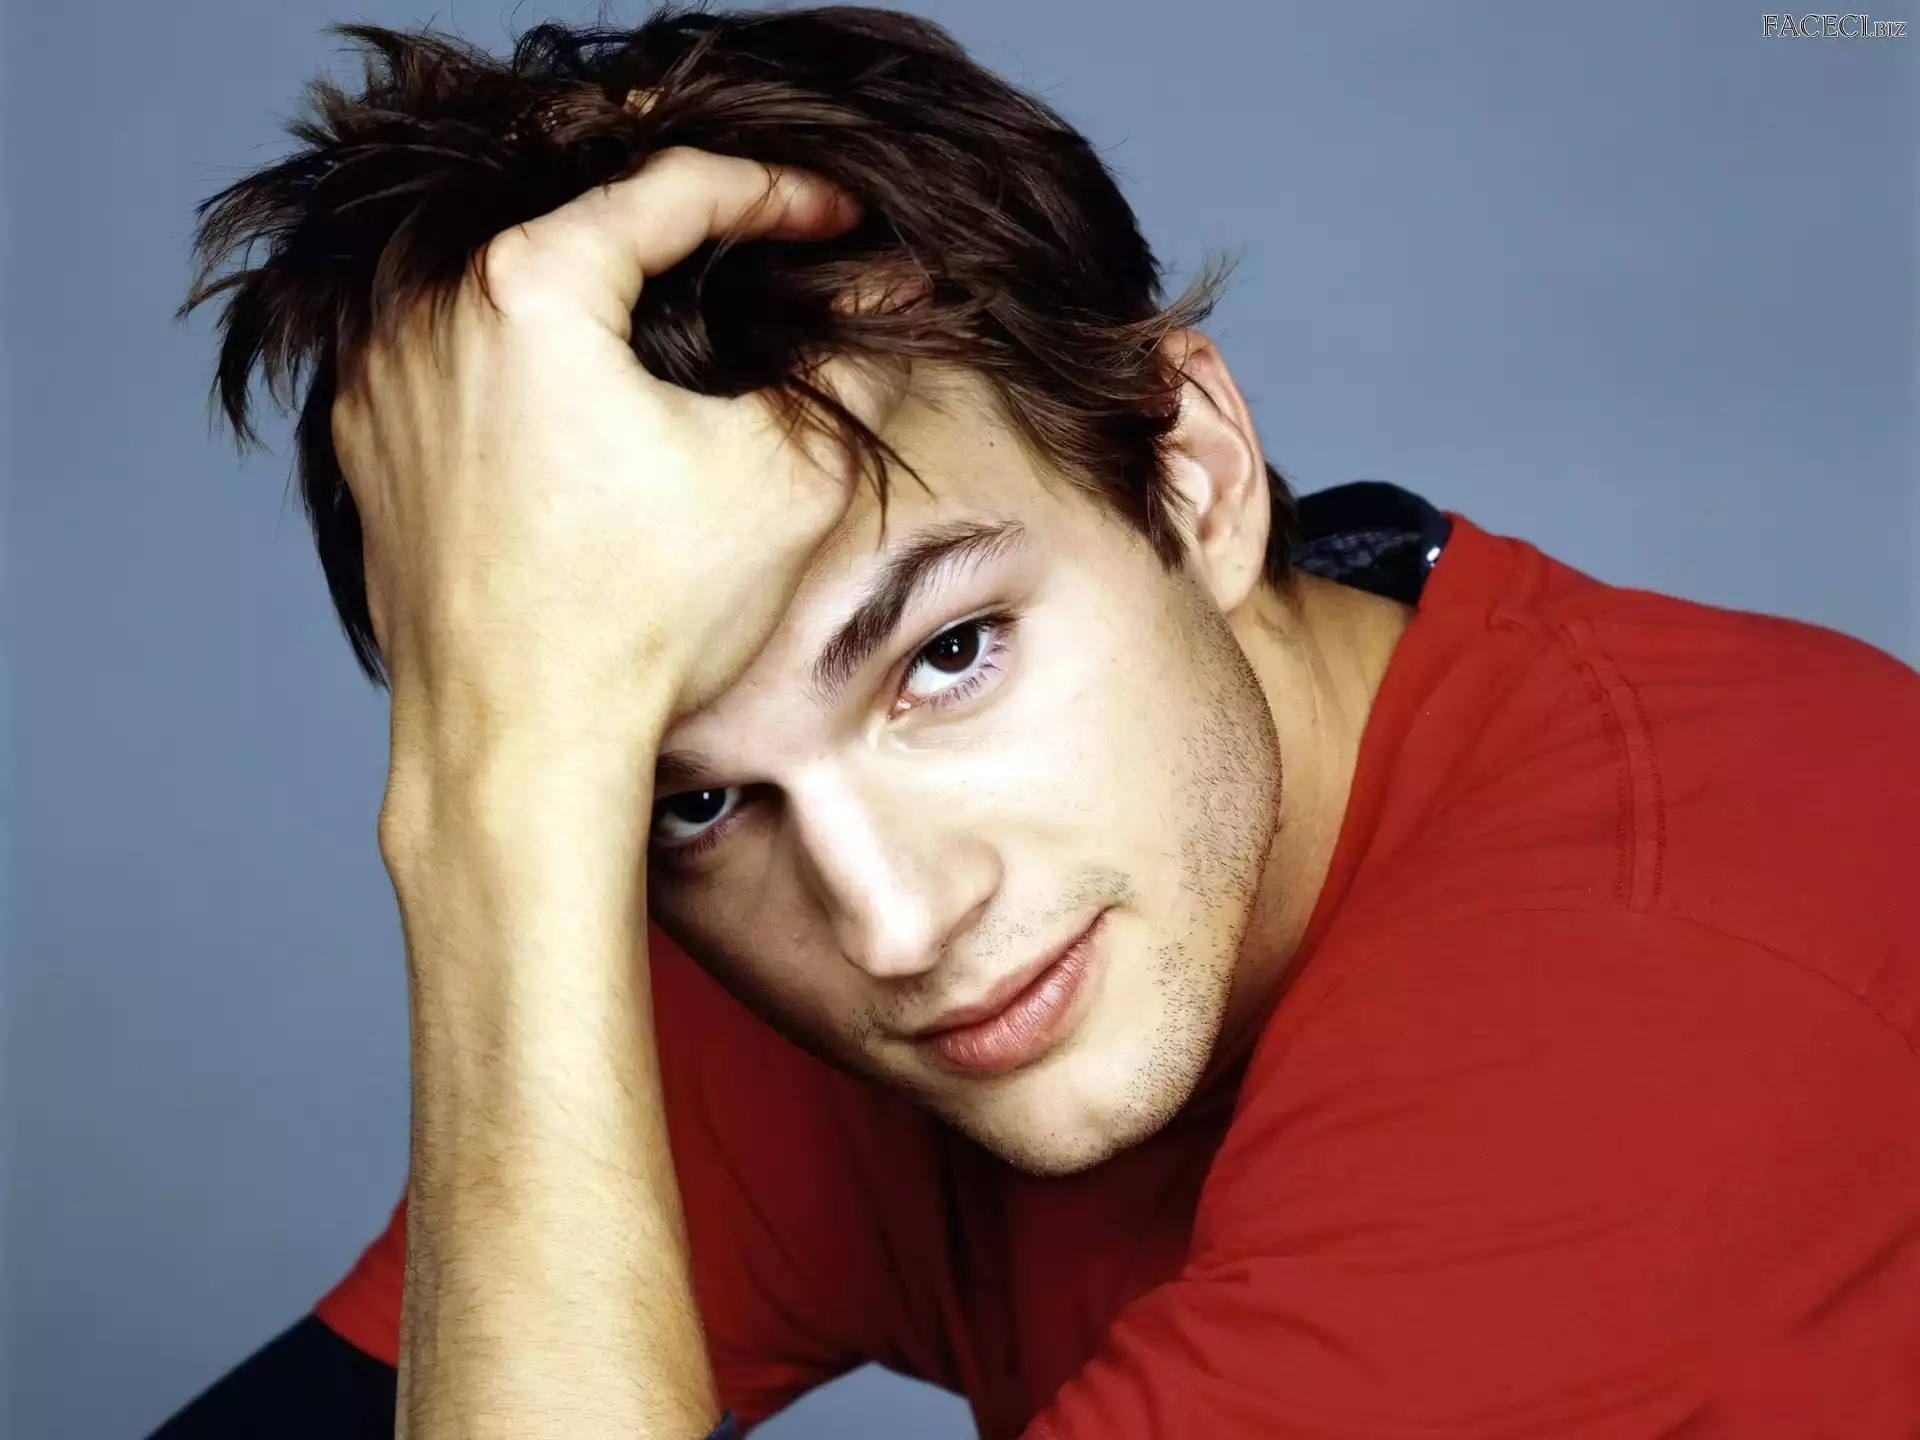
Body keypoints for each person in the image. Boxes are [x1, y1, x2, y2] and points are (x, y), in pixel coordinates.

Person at [155, 6, 1920, 1438]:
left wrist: (486, 815)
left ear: (1190, 468)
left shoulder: (1666, 979)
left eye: (948, 654)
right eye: (687, 801)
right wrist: (542, 785)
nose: (896, 923)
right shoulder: (878, 910)